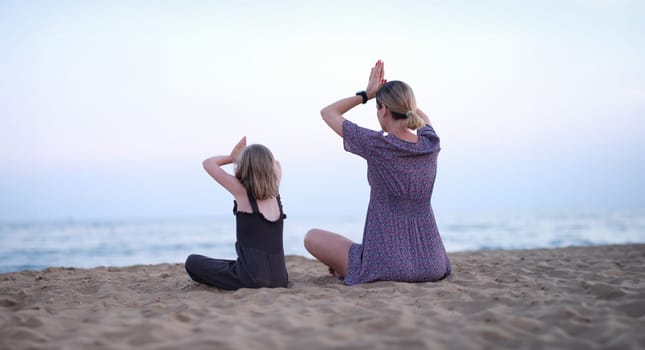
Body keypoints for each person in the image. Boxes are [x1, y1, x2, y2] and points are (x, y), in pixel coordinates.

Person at [304, 60, 451, 285]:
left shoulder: (376, 145)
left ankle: (350, 267)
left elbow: (328, 112)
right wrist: (397, 96)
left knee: (312, 237)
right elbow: (424, 119)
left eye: (378, 107)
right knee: (359, 250)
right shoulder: (430, 144)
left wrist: (368, 93)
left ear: (383, 110)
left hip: (387, 264)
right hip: (433, 264)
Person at [185, 137, 288, 290]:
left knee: (192, 261)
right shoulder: (275, 192)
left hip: (252, 277)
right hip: (280, 278)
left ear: (244, 166)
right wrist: (263, 159)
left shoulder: (242, 192)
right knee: (228, 263)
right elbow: (277, 164)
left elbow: (208, 163)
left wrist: (231, 158)